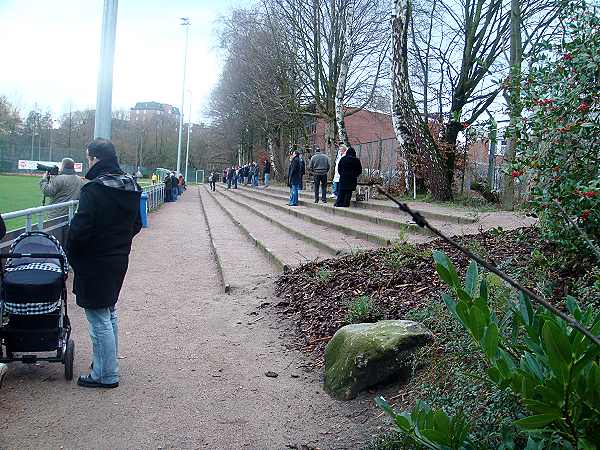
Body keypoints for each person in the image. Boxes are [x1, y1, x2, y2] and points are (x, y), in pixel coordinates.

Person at [67, 139, 142, 389]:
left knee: (98, 316)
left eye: (88, 158)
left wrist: (74, 256)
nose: (88, 162)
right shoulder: (132, 186)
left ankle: (105, 374)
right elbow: (137, 225)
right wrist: (119, 242)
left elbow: (79, 230)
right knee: (108, 312)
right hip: (119, 258)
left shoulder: (94, 190)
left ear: (95, 159)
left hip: (95, 261)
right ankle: (105, 364)